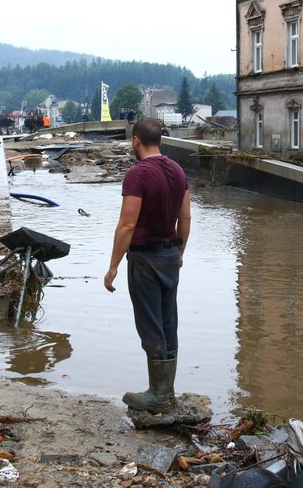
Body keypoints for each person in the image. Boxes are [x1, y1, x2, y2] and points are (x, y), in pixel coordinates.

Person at [104, 117, 191, 413]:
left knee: (150, 324)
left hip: (145, 259)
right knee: (169, 322)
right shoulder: (178, 171)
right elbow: (186, 218)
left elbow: (127, 225)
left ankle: (158, 394)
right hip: (169, 255)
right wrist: (180, 251)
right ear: (162, 141)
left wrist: (113, 266)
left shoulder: (137, 174)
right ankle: (167, 391)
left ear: (136, 140)